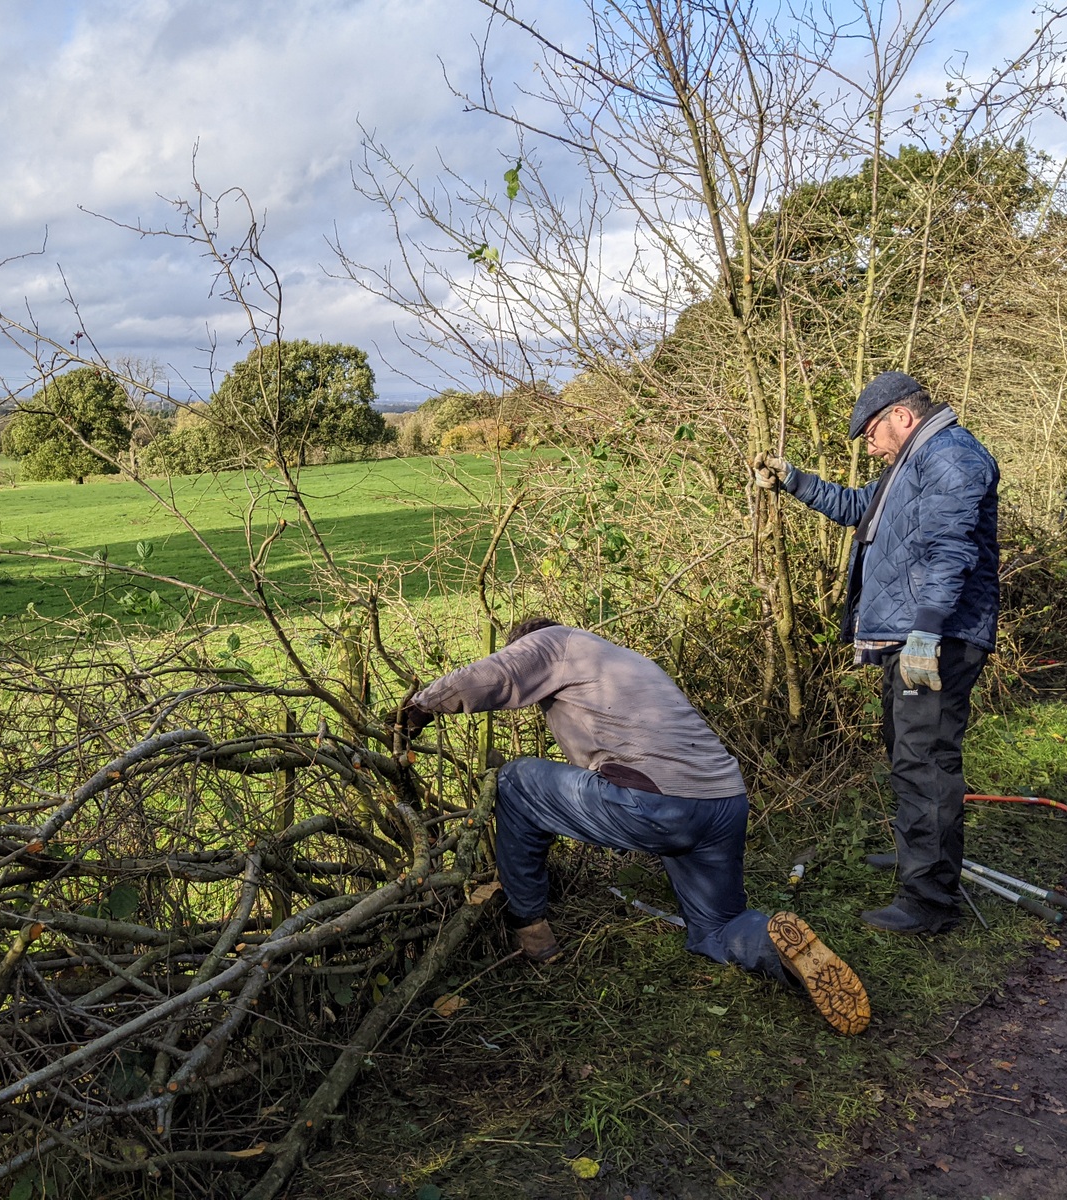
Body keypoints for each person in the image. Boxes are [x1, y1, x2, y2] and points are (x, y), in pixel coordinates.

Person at [400, 617, 871, 1035]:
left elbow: (494, 675)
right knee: (714, 927)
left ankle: (531, 928)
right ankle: (776, 946)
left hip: (659, 804)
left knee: (517, 781)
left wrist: (420, 707)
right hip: (724, 800)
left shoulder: (554, 643)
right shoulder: (619, 659)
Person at [754, 370, 999, 936]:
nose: (867, 442)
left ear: (902, 417)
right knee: (907, 755)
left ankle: (930, 900)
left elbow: (950, 550)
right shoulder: (907, 467)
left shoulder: (951, 458)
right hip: (909, 637)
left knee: (926, 764)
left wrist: (927, 632)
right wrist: (793, 481)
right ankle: (920, 860)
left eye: (869, 430)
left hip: (937, 640)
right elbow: (855, 509)